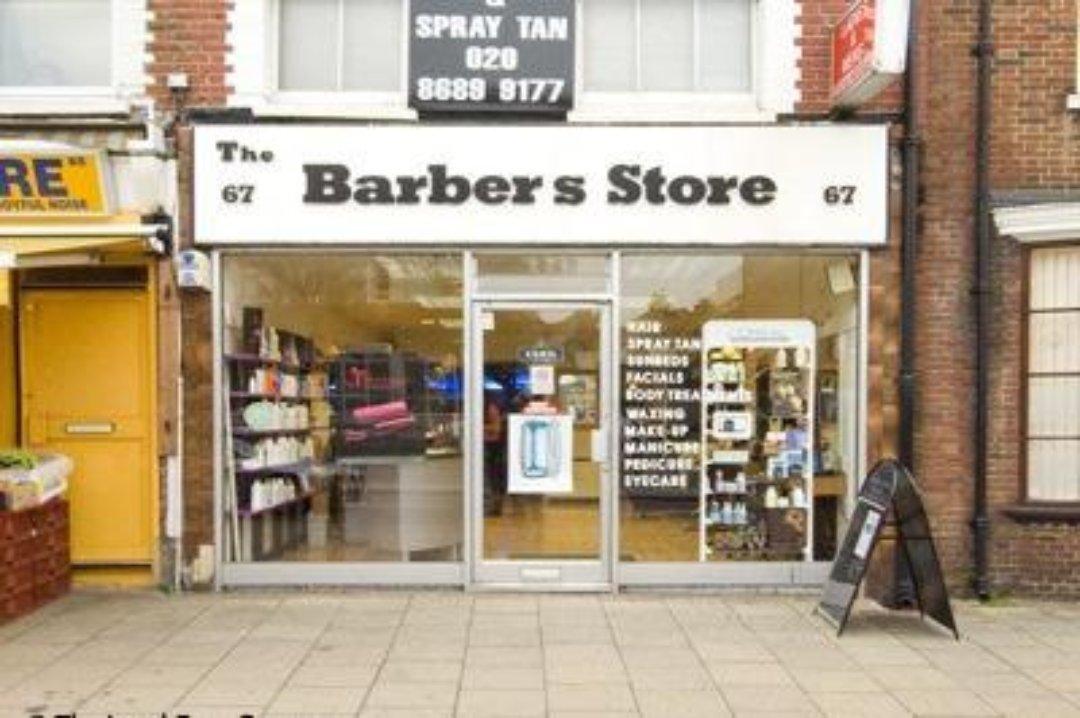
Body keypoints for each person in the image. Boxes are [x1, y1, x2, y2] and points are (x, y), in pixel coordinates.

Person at [483, 392, 507, 516]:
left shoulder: (491, 409)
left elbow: (496, 429)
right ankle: (493, 506)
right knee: (491, 477)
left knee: (491, 477)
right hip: (491, 446)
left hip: (492, 447)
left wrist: (480, 427)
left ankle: (494, 506)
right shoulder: (489, 408)